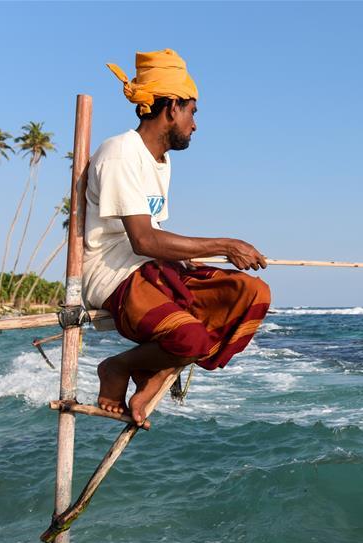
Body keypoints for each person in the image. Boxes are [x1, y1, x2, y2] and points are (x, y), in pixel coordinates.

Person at [82, 48, 270, 426]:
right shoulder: (120, 153)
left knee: (252, 293)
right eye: (192, 111)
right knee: (192, 339)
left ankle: (159, 369)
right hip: (113, 275)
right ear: (171, 108)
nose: (195, 124)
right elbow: (143, 241)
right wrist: (225, 245)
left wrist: (185, 259)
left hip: (149, 268)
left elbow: (156, 235)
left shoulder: (160, 162)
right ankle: (118, 367)